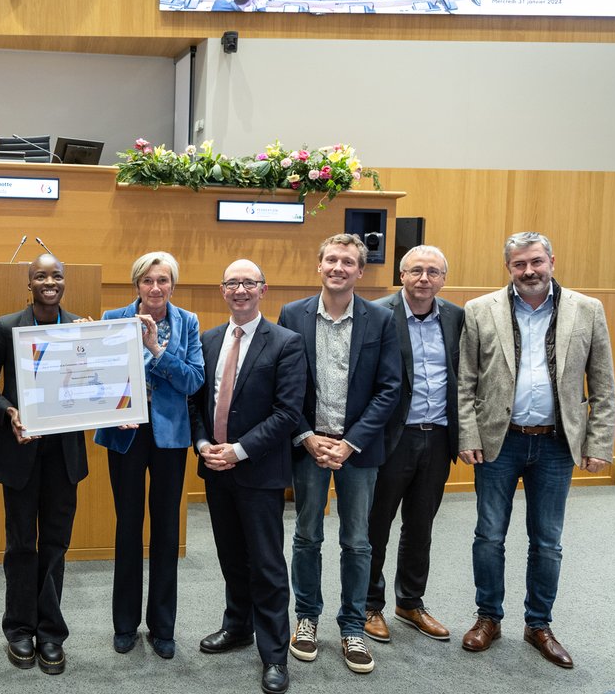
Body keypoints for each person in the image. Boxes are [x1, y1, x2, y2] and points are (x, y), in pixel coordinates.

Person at [458, 232, 615, 669]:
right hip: (498, 442)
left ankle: (538, 624)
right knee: (489, 535)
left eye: (536, 262)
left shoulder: (587, 309)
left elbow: (603, 384)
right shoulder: (480, 310)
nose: (529, 271)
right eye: (519, 264)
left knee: (547, 541)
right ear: (507, 267)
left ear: (551, 261)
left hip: (556, 443)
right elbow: (465, 379)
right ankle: (488, 618)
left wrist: (599, 442)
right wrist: (468, 435)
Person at [277, 234, 401, 675]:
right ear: (319, 264)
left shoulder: (381, 320)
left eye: (348, 262)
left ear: (359, 271)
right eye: (331, 259)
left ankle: (352, 626)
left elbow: (390, 389)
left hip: (358, 450)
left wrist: (350, 443)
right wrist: (307, 435)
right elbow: (284, 383)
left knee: (357, 540)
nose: (338, 267)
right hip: (308, 444)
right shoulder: (292, 314)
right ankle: (306, 619)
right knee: (307, 535)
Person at [190, 260, 304, 694]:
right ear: (222, 290)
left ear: (263, 289)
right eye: (232, 283)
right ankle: (237, 626)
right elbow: (196, 405)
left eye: (248, 283)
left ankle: (274, 653)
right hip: (215, 469)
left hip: (258, 471)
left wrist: (238, 451)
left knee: (267, 565)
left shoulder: (286, 343)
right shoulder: (208, 340)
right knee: (231, 556)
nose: (240, 289)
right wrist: (203, 446)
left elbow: (288, 413)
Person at [0, 253, 88, 675]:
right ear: (29, 283)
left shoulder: (80, 329)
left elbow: (96, 384)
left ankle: (51, 632)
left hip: (65, 457)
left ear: (64, 282)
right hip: (19, 452)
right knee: (21, 543)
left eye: (56, 275)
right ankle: (19, 629)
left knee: (56, 545)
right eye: (40, 275)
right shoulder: (7, 327)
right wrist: (8, 412)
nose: (49, 281)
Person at [96, 251, 204, 660]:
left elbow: (193, 380)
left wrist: (156, 349)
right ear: (136, 285)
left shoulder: (187, 322)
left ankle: (162, 627)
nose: (155, 288)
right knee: (127, 527)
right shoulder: (113, 316)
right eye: (147, 281)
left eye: (162, 281)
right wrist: (113, 409)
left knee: (166, 531)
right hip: (125, 436)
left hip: (170, 438)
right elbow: (100, 379)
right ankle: (124, 625)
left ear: (172, 285)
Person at [364, 246, 463, 645]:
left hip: (438, 436)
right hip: (392, 437)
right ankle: (369, 604)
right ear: (401, 274)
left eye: (433, 272)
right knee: (376, 526)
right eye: (416, 271)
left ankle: (410, 602)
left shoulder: (456, 317)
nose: (425, 279)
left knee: (420, 525)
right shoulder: (377, 313)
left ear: (443, 278)